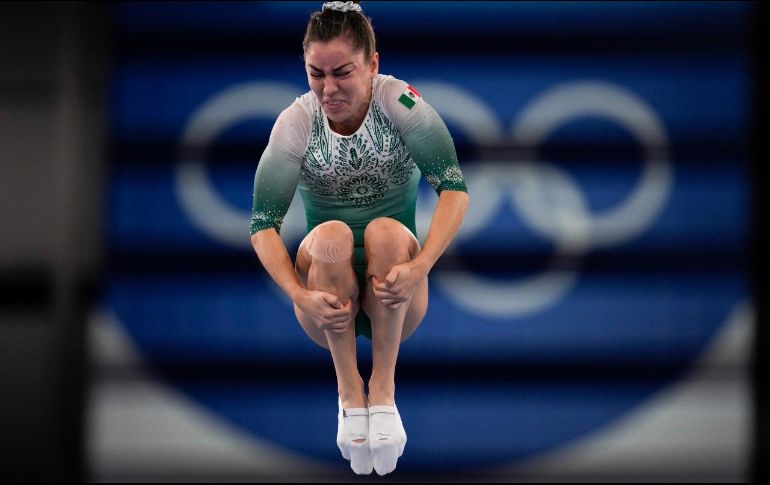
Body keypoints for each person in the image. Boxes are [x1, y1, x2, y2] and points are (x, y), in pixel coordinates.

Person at [249, 0, 468, 476]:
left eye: (342, 72)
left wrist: (420, 267)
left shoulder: (401, 103)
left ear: (373, 64)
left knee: (388, 233)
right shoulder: (296, 123)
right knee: (330, 235)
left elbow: (454, 189)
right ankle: (349, 390)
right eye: (315, 74)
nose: (328, 89)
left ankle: (383, 391)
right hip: (325, 298)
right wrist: (296, 295)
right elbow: (262, 225)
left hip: (399, 292)